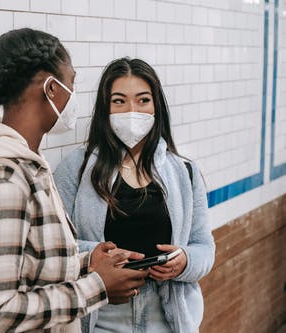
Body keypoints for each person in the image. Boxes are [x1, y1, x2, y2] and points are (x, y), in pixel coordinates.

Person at [0, 29, 149, 332]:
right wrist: (97, 287)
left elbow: (28, 269)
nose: (73, 97)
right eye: (71, 83)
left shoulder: (28, 167)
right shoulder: (2, 180)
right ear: (52, 88)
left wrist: (87, 263)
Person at [54, 58, 215, 333]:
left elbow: (204, 248)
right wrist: (95, 255)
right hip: (101, 314)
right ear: (105, 109)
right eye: (119, 101)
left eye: (143, 100)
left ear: (156, 107)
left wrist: (184, 261)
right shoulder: (76, 168)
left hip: (167, 315)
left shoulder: (184, 171)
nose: (132, 111)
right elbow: (58, 248)